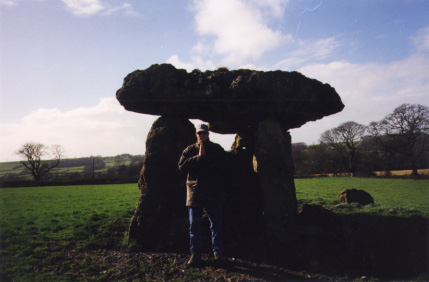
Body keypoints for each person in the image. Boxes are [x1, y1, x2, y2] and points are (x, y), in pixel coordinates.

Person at [178, 123, 226, 267]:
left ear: (208, 134)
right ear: (196, 134)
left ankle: (218, 254)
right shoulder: (189, 150)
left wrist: (208, 159)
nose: (201, 135)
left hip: (213, 192)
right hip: (195, 192)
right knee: (194, 225)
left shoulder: (216, 149)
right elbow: (181, 166)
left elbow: (225, 165)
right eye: (199, 133)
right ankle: (195, 255)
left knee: (216, 225)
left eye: (204, 133)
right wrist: (197, 158)